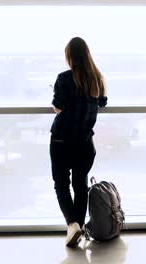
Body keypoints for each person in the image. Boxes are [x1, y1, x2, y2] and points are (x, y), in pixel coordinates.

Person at [50, 37, 108, 247]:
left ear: (70, 57)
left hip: (61, 139)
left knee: (61, 184)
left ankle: (72, 224)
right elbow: (102, 103)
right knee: (80, 185)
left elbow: (58, 106)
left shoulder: (64, 78)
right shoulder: (98, 79)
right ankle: (79, 227)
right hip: (84, 141)